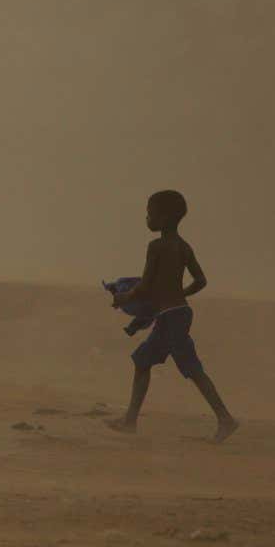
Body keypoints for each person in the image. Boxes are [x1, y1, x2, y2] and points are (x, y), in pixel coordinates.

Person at [108, 190, 239, 443]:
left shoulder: (156, 247)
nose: (147, 218)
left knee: (188, 368)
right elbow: (200, 281)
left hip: (171, 317)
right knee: (146, 361)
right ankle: (130, 420)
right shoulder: (184, 247)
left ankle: (225, 419)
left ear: (164, 218)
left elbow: (146, 287)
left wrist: (123, 298)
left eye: (150, 213)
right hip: (179, 313)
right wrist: (180, 294)